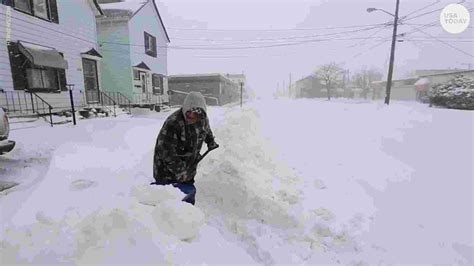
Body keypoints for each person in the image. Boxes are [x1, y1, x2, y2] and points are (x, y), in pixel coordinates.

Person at [152, 91, 219, 205]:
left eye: (196, 115)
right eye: (189, 113)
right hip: (167, 172)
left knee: (188, 198)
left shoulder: (203, 120)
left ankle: (189, 217)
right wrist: (180, 171)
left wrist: (210, 141)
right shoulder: (173, 123)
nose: (191, 117)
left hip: (188, 168)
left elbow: (206, 131)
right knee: (169, 204)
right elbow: (166, 151)